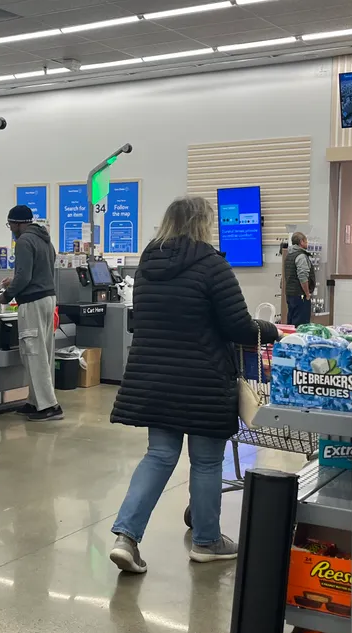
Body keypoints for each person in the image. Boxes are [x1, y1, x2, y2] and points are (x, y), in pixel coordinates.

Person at [109, 196, 279, 573]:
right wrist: (272, 331)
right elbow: (237, 325)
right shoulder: (212, 266)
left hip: (154, 378)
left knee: (158, 456)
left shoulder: (147, 266)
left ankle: (126, 537)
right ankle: (206, 540)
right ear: (203, 224)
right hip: (203, 379)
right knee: (206, 462)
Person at [0, 205, 62, 422]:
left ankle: (49, 406)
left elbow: (25, 277)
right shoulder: (45, 239)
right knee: (43, 352)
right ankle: (35, 402)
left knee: (33, 354)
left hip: (33, 301)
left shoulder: (24, 241)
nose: (11, 229)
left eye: (10, 225)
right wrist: (15, 279)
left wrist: (5, 296)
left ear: (17, 223)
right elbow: (39, 270)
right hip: (48, 299)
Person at [283, 232, 314, 325]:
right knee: (301, 325)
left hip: (290, 294)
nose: (307, 243)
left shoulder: (289, 255)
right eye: (306, 241)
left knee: (292, 323)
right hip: (300, 295)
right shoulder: (301, 256)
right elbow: (303, 277)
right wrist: (307, 294)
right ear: (301, 242)